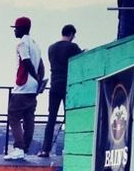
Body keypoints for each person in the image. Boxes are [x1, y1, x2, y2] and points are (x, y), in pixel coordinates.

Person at [38, 24, 82, 157]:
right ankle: (71, 148)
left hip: (54, 84)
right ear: (71, 34)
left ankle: (45, 149)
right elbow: (80, 60)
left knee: (51, 118)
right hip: (68, 85)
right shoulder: (72, 47)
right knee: (70, 118)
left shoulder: (51, 48)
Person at [5, 16, 42, 159]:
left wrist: (35, 77)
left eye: (15, 28)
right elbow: (41, 66)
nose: (14, 31)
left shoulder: (21, 44)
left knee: (13, 115)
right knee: (28, 117)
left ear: (22, 29)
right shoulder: (35, 45)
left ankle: (19, 148)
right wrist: (38, 81)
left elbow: (26, 62)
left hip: (23, 85)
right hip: (33, 88)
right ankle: (25, 148)